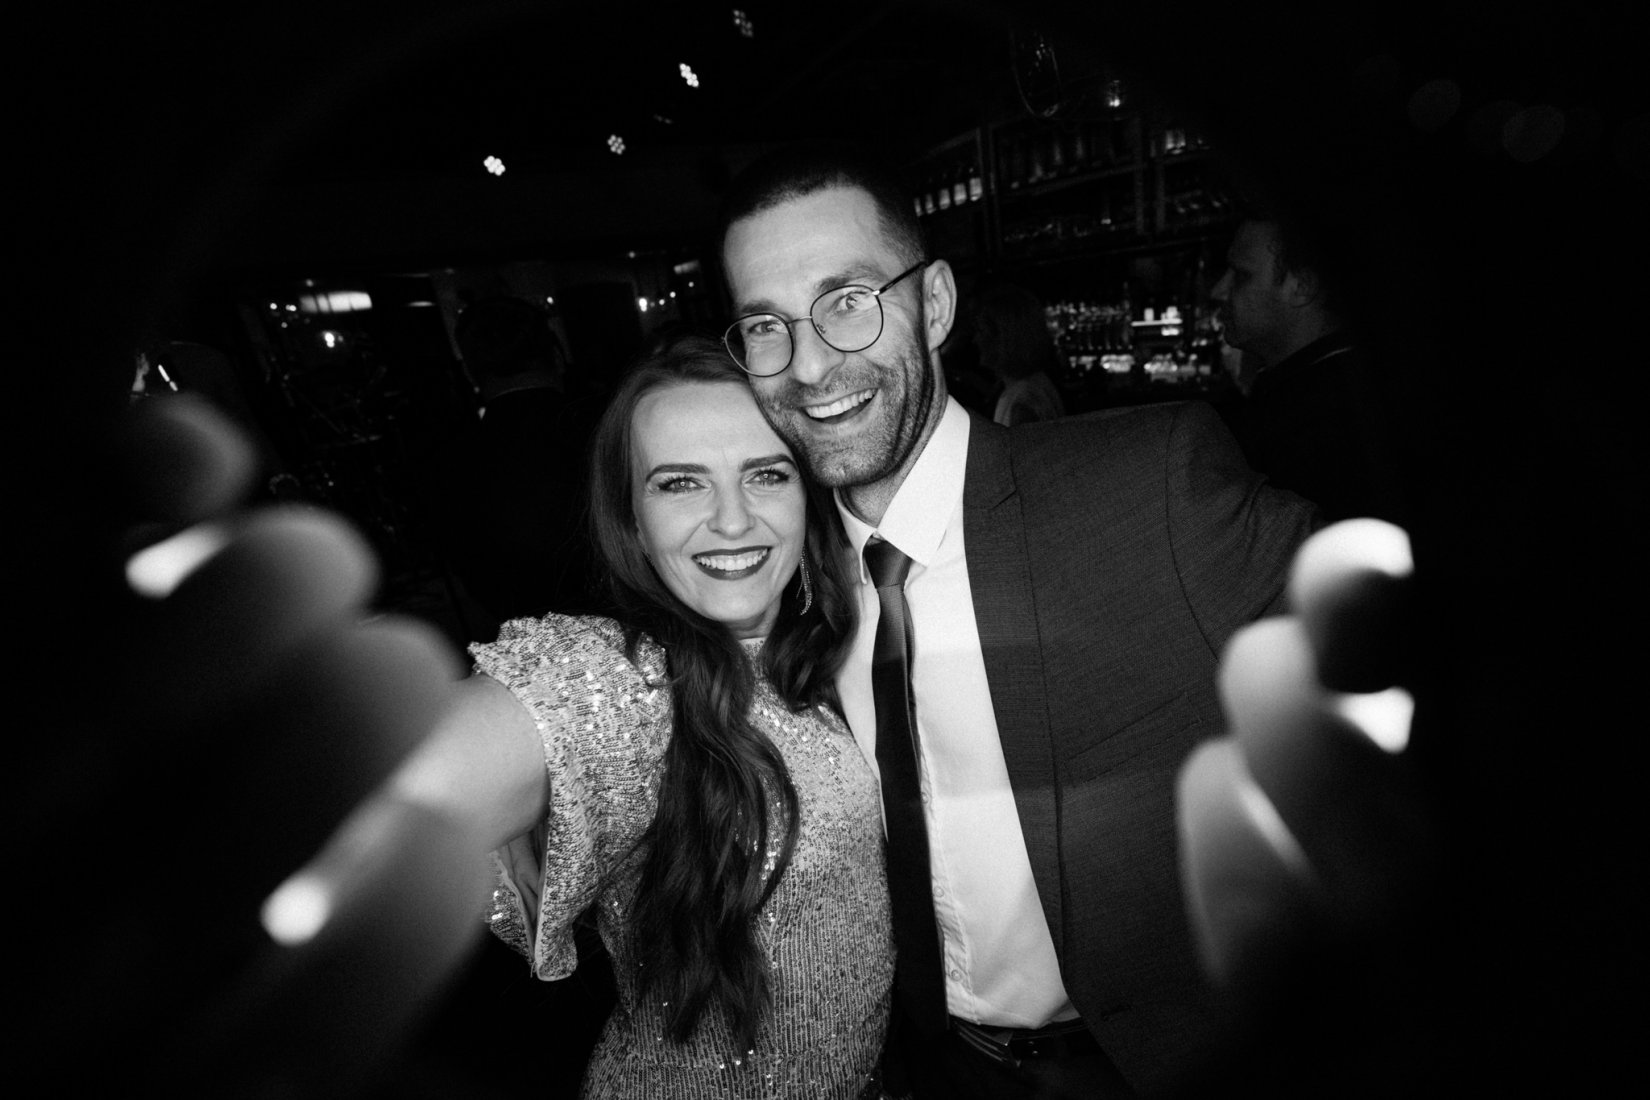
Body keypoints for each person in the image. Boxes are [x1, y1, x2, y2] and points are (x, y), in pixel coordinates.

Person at [716, 143, 1320, 1098]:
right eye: (766, 326)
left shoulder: (1148, 492)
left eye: (849, 300)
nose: (812, 363)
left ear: (935, 305)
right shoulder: (778, 582)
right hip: (935, 1071)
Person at [1209, 215, 1409, 524]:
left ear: (1303, 286)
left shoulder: (1328, 426)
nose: (1219, 290)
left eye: (1241, 275)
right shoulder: (1334, 390)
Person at [970, 281, 1068, 426]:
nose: (975, 340)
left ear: (1003, 338)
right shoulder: (1034, 385)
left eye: (981, 331)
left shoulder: (1022, 405)